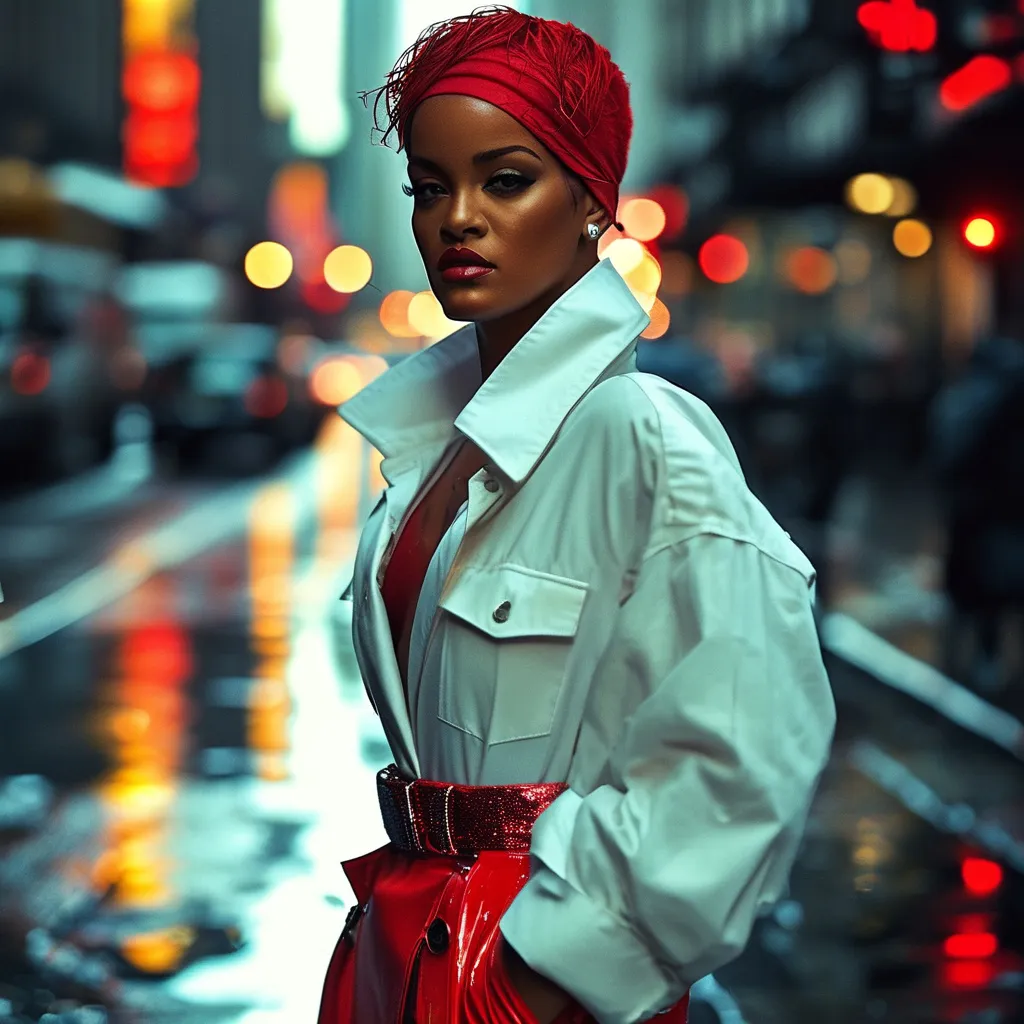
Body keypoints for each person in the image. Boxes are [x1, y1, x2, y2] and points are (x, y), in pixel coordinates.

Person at [319, 7, 835, 1023]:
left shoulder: (646, 440)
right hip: (400, 947)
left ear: (592, 199)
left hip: (524, 974)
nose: (456, 217)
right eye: (432, 187)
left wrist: (550, 973)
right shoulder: (429, 447)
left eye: (504, 179)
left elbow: (742, 762)